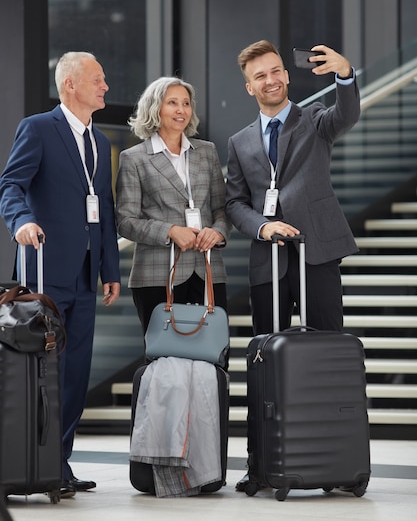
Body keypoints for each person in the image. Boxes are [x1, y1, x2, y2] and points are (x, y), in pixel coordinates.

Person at [225, 40, 360, 491]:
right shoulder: (240, 142)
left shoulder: (315, 121)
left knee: (328, 356)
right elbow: (234, 202)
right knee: (266, 365)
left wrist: (344, 75)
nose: (272, 80)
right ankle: (260, 464)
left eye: (277, 70)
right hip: (269, 262)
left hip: (318, 252)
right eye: (261, 75)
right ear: (249, 87)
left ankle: (338, 463)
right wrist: (263, 228)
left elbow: (348, 114)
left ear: (287, 74)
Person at [0, 51, 121, 499]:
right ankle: (31, 460)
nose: (105, 86)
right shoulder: (38, 128)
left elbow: (102, 208)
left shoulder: (101, 140)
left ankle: (60, 462)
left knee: (75, 372)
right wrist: (21, 222)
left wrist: (110, 267)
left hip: (86, 276)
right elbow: (10, 184)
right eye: (98, 78)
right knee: (44, 369)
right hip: (45, 272)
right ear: (70, 83)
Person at [115, 76, 231, 346]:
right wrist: (169, 231)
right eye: (172, 103)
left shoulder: (207, 151)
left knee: (213, 356)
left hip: (208, 270)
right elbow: (125, 221)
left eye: (186, 103)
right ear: (155, 108)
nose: (181, 110)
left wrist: (217, 232)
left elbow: (222, 209)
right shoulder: (134, 158)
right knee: (165, 359)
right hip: (157, 274)